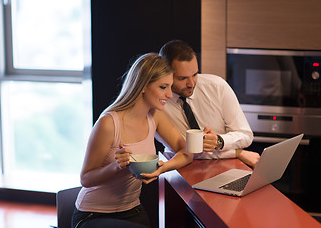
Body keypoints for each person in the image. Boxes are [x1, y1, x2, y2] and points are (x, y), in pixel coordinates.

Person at [72, 53, 193, 228]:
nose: (169, 94)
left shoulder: (155, 116)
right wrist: (116, 165)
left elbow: (186, 153)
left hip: (132, 210)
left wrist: (162, 168)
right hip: (93, 214)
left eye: (170, 87)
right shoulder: (108, 123)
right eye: (163, 87)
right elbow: (86, 179)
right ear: (143, 85)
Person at [157, 40, 260, 168]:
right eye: (182, 78)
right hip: (179, 169)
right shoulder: (156, 101)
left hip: (223, 167)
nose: (191, 84)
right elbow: (188, 152)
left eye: (194, 74)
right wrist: (237, 152)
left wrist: (220, 141)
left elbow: (246, 135)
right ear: (165, 74)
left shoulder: (217, 86)